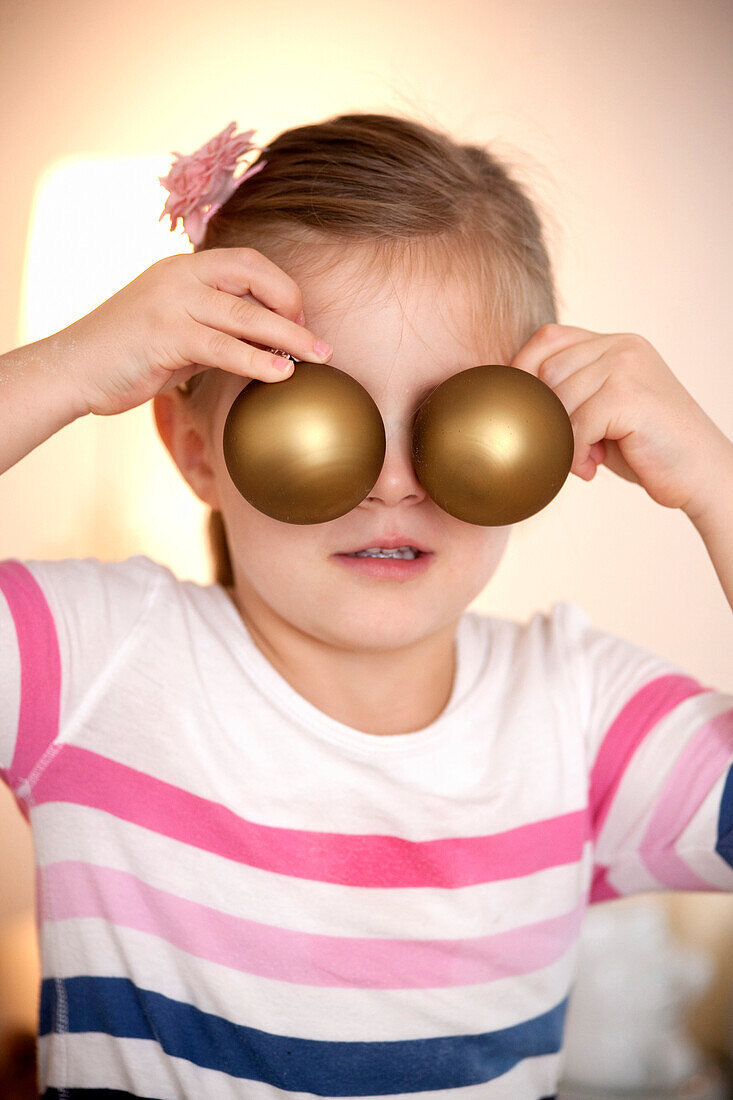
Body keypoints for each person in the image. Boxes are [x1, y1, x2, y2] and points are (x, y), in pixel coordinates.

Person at [0, 112, 731, 1099]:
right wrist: (66, 367)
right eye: (321, 417)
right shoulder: (91, 665)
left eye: (456, 421)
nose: (392, 484)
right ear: (196, 447)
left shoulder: (578, 715)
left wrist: (714, 480)